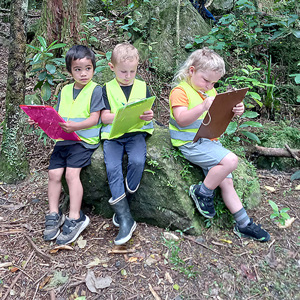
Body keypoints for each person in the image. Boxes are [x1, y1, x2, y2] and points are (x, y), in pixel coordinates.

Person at [169, 48, 270, 242]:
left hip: (208, 142)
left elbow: (217, 121)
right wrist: (203, 105)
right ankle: (202, 192)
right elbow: (181, 119)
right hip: (190, 143)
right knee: (231, 160)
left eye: (214, 82)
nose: (209, 86)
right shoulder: (180, 91)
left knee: (227, 182)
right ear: (191, 71)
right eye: (206, 80)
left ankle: (243, 224)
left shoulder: (211, 91)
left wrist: (233, 112)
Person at [29, 45, 104, 245]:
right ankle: (54, 213)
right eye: (77, 69)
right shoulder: (65, 89)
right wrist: (40, 120)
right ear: (70, 71)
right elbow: (57, 116)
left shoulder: (96, 90)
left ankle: (75, 217)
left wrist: (76, 126)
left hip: (83, 142)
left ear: (94, 68)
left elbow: (95, 119)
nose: (83, 73)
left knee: (71, 174)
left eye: (87, 68)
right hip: (64, 139)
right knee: (53, 174)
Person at [101, 43, 154, 245]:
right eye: (123, 71)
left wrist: (148, 115)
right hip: (112, 136)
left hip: (135, 134)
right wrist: (120, 115)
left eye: (132, 71)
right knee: (113, 167)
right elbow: (104, 117)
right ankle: (125, 218)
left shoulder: (142, 86)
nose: (128, 75)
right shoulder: (105, 88)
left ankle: (124, 203)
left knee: (138, 161)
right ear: (111, 67)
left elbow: (149, 113)